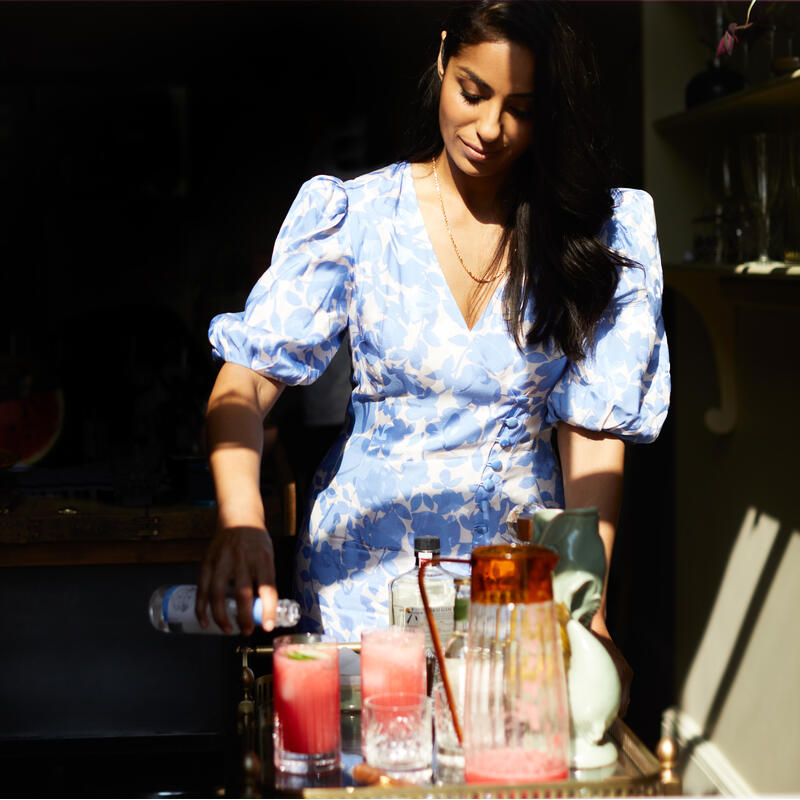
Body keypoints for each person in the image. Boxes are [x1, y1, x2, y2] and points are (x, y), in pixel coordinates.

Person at [196, 1, 670, 713]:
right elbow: (244, 383)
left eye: (523, 109)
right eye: (472, 92)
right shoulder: (354, 217)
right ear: (444, 59)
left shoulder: (594, 235)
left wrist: (588, 607)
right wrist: (240, 519)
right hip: (363, 578)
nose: (489, 129)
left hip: (516, 586)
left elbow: (595, 436)